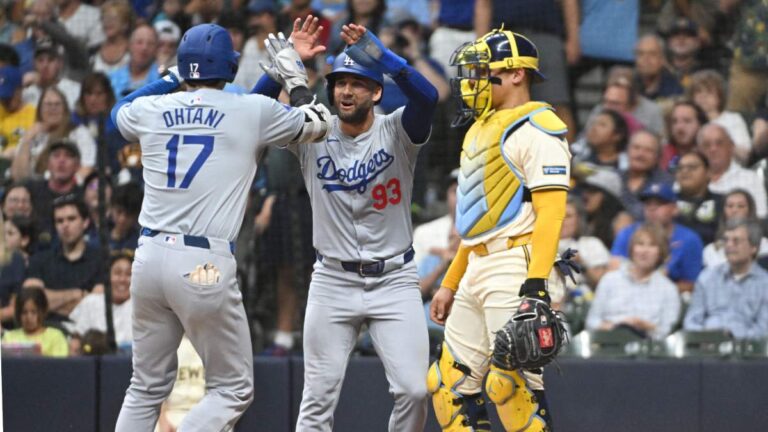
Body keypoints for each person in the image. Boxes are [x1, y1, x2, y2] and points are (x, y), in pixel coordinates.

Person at [111, 23, 330, 432]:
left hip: (148, 259)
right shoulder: (249, 111)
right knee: (232, 388)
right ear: (230, 66)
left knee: (144, 386)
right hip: (202, 265)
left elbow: (116, 114)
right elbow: (318, 122)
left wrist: (173, 78)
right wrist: (294, 78)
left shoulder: (153, 110)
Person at [258, 18, 437, 431]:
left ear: (376, 91)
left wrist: (383, 56)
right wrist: (279, 70)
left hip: (394, 279)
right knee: (316, 400)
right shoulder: (312, 130)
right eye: (339, 82)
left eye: (357, 82)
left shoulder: (398, 129)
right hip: (333, 281)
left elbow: (426, 98)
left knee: (414, 390)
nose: (346, 90)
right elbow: (255, 112)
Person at [427, 29, 571, 431]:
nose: (471, 81)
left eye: (481, 71)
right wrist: (450, 282)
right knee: (447, 385)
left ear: (515, 75)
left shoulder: (539, 126)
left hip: (517, 263)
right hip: (477, 264)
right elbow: (477, 224)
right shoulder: (479, 128)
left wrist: (536, 285)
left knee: (510, 386)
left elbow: (552, 214)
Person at [586, 224, 681, 340]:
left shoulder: (668, 289)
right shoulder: (609, 280)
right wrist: (614, 326)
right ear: (632, 249)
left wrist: (648, 327)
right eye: (640, 244)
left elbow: (667, 331)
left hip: (648, 347)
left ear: (661, 252)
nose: (644, 251)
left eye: (652, 245)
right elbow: (591, 322)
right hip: (609, 344)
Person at [23, 194, 104, 322]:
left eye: (71, 219)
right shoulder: (39, 260)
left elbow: (98, 305)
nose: (65, 225)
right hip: (46, 331)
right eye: (59, 221)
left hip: (88, 331)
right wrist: (78, 295)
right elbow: (32, 302)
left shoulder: (101, 259)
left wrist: (49, 301)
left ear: (85, 222)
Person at [611, 181, 704, 294]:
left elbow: (692, 284)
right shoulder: (628, 233)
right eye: (648, 204)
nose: (652, 208)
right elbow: (613, 268)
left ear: (674, 209)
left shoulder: (689, 239)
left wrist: (655, 289)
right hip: (626, 292)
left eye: (660, 203)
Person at [684, 219, 768, 339]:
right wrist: (709, 337)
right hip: (706, 348)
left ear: (753, 247)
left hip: (747, 352)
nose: (729, 245)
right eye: (726, 240)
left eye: (736, 241)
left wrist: (733, 339)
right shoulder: (707, 277)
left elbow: (764, 330)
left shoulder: (765, 284)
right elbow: (691, 322)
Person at [698, 122, 767, 218]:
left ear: (731, 146)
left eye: (719, 143)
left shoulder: (750, 179)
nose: (713, 149)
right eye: (707, 145)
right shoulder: (689, 179)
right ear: (699, 150)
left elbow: (761, 217)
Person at [702, 189, 768, 267]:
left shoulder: (765, 245)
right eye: (730, 206)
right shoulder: (711, 250)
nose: (735, 210)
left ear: (750, 210)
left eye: (741, 206)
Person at [1, 286, 68, 356]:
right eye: (24, 312)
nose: (29, 317)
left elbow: (59, 364)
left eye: (34, 312)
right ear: (18, 314)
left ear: (43, 311)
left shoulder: (56, 337)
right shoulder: (9, 338)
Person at [675, 150, 723, 245]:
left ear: (708, 172)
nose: (685, 171)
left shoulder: (722, 202)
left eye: (692, 167)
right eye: (680, 168)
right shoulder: (667, 202)